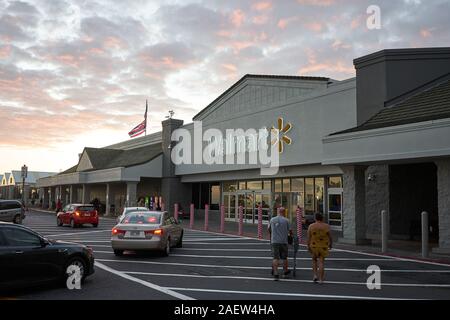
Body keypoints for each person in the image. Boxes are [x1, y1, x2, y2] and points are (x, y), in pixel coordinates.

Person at [307, 213, 332, 284]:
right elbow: (330, 236)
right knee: (321, 262)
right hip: (323, 246)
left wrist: (308, 245)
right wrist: (330, 244)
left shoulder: (311, 226)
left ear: (315, 218)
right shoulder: (326, 226)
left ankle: (315, 275)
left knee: (314, 260)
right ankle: (321, 279)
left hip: (314, 245)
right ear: (322, 218)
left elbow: (309, 237)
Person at [268, 207, 291, 281]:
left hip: (274, 241)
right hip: (283, 241)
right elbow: (290, 231)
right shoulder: (286, 220)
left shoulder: (272, 219)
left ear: (278, 212)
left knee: (275, 257)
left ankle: (276, 273)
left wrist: (273, 234)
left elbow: (269, 229)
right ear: (284, 212)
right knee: (284, 257)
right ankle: (285, 272)